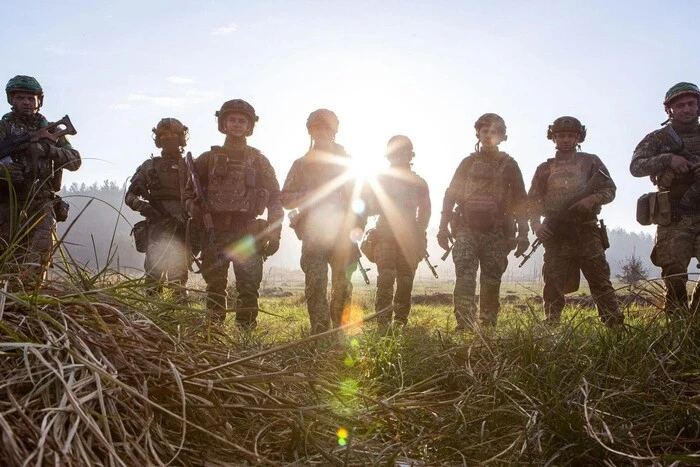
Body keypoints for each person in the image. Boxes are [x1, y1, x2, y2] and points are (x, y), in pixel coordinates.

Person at [183, 99, 282, 329]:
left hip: (247, 232)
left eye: (242, 121)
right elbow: (187, 194)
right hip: (214, 231)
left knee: (248, 288)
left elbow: (276, 198)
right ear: (223, 124)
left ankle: (245, 334)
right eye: (232, 120)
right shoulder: (207, 160)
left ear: (249, 126)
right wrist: (194, 209)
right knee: (215, 287)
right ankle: (215, 334)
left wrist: (275, 232)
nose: (237, 124)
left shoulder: (259, 160)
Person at [528, 116, 623, 326]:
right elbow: (532, 201)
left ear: (578, 138)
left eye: (571, 135)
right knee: (553, 282)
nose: (565, 139)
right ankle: (552, 324)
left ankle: (613, 323)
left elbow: (610, 189)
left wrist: (592, 199)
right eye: (561, 135)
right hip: (557, 235)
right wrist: (536, 224)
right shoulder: (544, 168)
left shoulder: (591, 161)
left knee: (599, 280)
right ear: (553, 138)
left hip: (586, 231)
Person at [437, 113, 529, 329]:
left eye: (494, 132)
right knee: (465, 276)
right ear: (478, 133)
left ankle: (488, 325)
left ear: (502, 137)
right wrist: (442, 228)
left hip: (496, 231)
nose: (489, 136)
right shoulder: (468, 163)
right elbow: (451, 195)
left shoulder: (509, 165)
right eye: (485, 131)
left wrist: (523, 233)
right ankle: (465, 324)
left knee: (491, 279)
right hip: (466, 229)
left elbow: (520, 201)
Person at [282, 109, 365, 334]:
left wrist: (357, 227)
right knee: (316, 285)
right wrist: (309, 195)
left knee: (342, 287)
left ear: (334, 130)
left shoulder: (349, 163)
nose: (322, 132)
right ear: (310, 131)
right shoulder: (301, 164)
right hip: (314, 235)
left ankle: (339, 332)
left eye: (326, 127)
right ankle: (319, 332)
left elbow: (363, 199)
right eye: (317, 128)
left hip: (343, 233)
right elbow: (285, 199)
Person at [0, 75, 81, 286]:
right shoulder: (3, 129)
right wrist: (3, 170)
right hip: (8, 202)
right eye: (21, 98)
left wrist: (48, 149)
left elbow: (75, 161)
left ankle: (33, 300)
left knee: (41, 251)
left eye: (31, 98)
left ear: (39, 101)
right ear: (12, 100)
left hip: (41, 200)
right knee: (7, 257)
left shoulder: (52, 131)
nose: (26, 102)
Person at [630, 82, 700, 315]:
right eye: (679, 105)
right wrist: (668, 160)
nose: (686, 109)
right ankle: (678, 326)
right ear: (669, 110)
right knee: (674, 275)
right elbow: (636, 167)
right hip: (674, 217)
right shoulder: (659, 139)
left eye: (691, 103)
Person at [365, 135, 430, 330]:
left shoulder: (419, 182)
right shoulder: (379, 180)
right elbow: (366, 206)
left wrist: (419, 231)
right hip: (384, 236)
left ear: (410, 155)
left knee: (405, 280)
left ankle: (400, 322)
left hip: (409, 239)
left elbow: (426, 210)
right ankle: (383, 322)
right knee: (385, 277)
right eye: (395, 153)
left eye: (403, 152)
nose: (399, 157)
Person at [125, 118, 192, 301]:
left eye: (173, 136)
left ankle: (177, 318)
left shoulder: (190, 167)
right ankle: (151, 317)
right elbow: (130, 196)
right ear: (158, 139)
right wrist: (144, 207)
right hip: (156, 227)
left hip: (181, 227)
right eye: (165, 136)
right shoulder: (149, 166)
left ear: (181, 138)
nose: (169, 139)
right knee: (153, 275)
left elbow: (200, 196)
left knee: (178, 278)